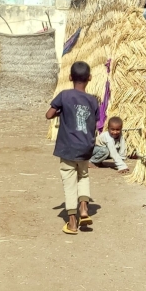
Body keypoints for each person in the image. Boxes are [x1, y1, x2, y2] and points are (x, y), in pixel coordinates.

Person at [46, 61, 99, 234]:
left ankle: (72, 222)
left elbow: (49, 114)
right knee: (83, 176)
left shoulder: (64, 95)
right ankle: (84, 208)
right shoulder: (93, 100)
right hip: (85, 148)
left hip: (68, 148)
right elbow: (96, 122)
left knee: (70, 183)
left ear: (70, 77)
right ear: (89, 78)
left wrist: (61, 112)